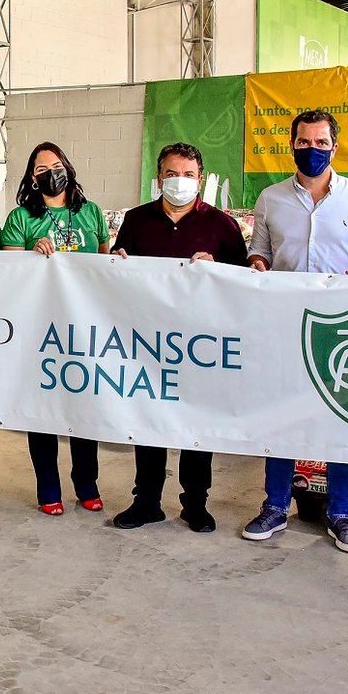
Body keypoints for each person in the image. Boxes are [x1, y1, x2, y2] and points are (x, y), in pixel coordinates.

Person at [241, 109, 348, 551]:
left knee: (341, 417)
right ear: (292, 145)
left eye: (321, 143)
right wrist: (259, 265)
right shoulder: (270, 198)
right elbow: (259, 252)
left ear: (335, 147)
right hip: (284, 324)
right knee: (281, 415)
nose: (313, 150)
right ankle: (275, 505)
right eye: (304, 142)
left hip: (342, 326)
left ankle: (342, 514)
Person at [109, 141, 248, 533]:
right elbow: (118, 272)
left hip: (199, 344)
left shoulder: (222, 226)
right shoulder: (136, 220)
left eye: (188, 175)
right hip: (148, 341)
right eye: (172, 174)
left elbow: (242, 285)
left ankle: (195, 504)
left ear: (200, 180)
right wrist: (116, 263)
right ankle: (147, 501)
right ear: (158, 179)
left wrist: (217, 267)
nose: (180, 182)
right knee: (149, 419)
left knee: (195, 425)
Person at [0, 142, 109, 516]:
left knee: (85, 406)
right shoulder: (21, 219)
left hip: (84, 328)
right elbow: (11, 277)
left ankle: (87, 483)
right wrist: (33, 256)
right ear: (32, 177)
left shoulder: (92, 213)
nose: (51, 173)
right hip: (40, 329)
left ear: (68, 168)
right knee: (42, 407)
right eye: (42, 169)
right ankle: (48, 485)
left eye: (57, 165)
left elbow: (106, 265)